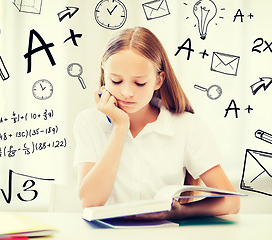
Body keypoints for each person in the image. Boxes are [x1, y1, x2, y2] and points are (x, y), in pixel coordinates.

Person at [74, 26, 240, 219]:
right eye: (116, 81)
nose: (127, 92)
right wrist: (120, 127)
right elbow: (89, 202)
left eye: (140, 83)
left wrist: (179, 212)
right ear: (104, 75)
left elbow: (232, 201)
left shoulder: (187, 126)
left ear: (159, 80)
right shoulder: (89, 122)